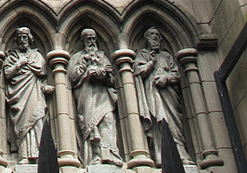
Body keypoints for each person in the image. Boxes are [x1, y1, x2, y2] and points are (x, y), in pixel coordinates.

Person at [133, 27, 191, 165]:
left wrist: (167, 77)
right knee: (158, 120)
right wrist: (150, 64)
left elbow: (176, 73)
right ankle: (160, 156)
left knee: (173, 122)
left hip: (169, 94)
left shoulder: (166, 56)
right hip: (153, 93)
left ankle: (180, 153)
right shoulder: (142, 55)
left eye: (157, 35)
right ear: (146, 39)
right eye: (151, 35)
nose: (155, 37)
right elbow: (138, 70)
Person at [68, 28, 123, 167]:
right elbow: (72, 77)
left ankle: (110, 154)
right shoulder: (77, 57)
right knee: (91, 126)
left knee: (108, 120)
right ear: (83, 41)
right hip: (86, 96)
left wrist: (103, 75)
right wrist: (85, 66)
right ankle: (95, 156)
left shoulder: (102, 56)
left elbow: (111, 80)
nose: (92, 42)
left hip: (103, 96)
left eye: (94, 39)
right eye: (88, 39)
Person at [3, 27, 53, 163]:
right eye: (19, 38)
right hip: (18, 94)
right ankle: (24, 155)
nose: (22, 40)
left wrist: (44, 87)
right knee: (22, 123)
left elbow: (42, 72)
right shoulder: (13, 57)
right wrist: (18, 64)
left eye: (25, 37)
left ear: (29, 39)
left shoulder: (37, 56)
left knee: (37, 120)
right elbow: (7, 73)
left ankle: (41, 155)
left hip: (34, 93)